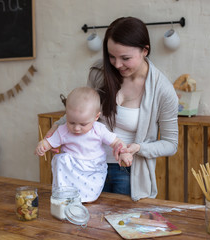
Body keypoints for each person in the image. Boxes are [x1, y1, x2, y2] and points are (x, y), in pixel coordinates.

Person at [47, 17, 179, 201]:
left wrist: (138, 148)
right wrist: (56, 127)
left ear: (145, 50)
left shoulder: (163, 91)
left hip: (127, 171)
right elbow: (85, 109)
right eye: (111, 56)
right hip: (85, 166)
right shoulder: (100, 73)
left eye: (125, 58)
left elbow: (170, 144)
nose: (117, 65)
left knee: (119, 222)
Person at [35, 87, 132, 202]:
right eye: (71, 122)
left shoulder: (99, 130)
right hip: (73, 166)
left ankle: (86, 197)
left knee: (91, 191)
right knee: (60, 159)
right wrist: (42, 145)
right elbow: (49, 142)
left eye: (83, 124)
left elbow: (116, 142)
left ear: (96, 117)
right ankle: (65, 194)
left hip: (93, 167)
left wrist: (123, 151)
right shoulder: (63, 130)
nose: (76, 128)